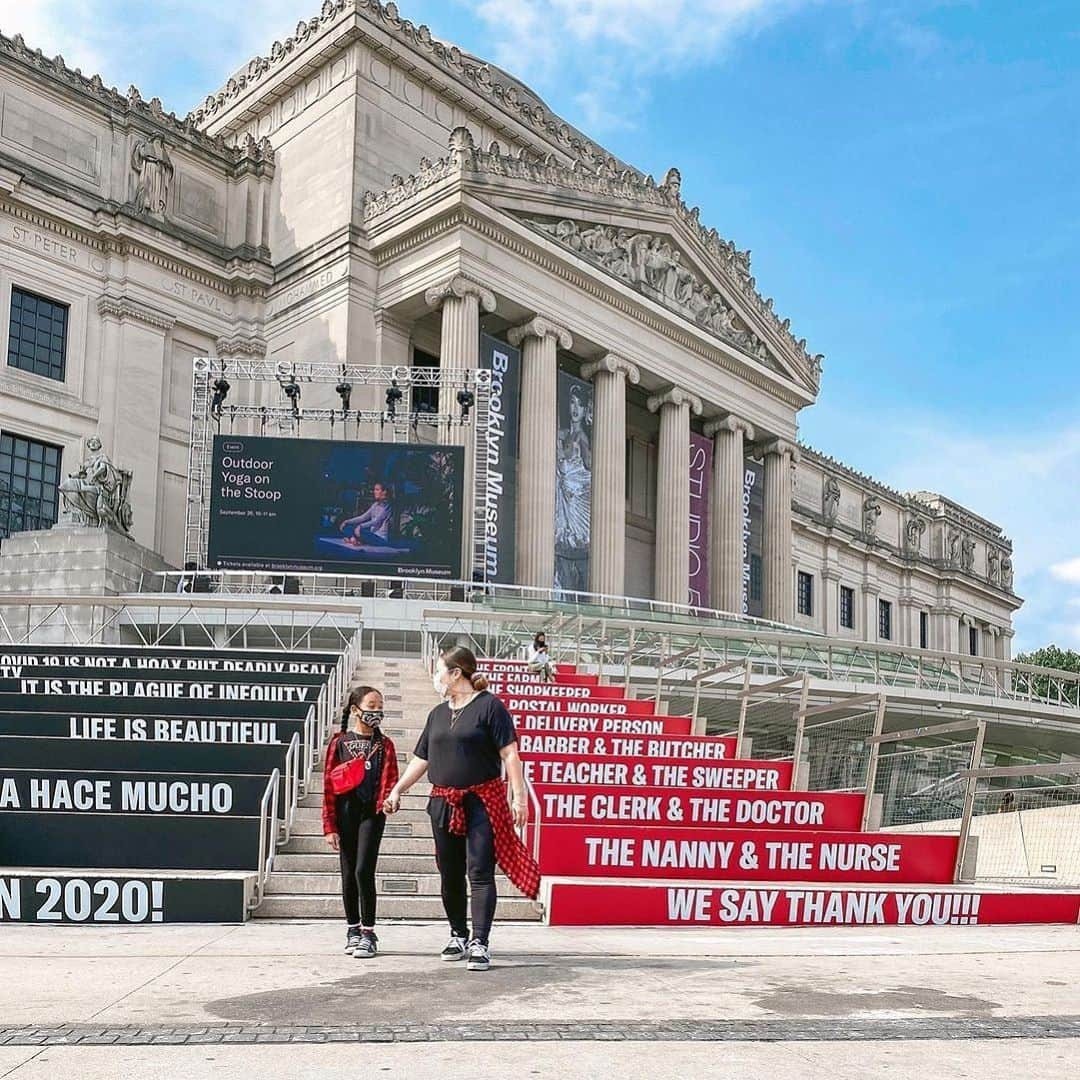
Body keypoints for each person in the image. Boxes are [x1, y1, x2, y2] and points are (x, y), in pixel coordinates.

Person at [383, 646, 539, 972]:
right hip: (442, 801)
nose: (437, 678)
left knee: (479, 871)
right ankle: (458, 933)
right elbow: (421, 759)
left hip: (481, 801)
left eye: (440, 671)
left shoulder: (490, 707)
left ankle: (480, 941)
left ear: (456, 673)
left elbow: (510, 754)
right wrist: (397, 789)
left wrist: (519, 797)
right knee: (450, 873)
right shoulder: (437, 714)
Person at [322, 685, 399, 958]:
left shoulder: (384, 745)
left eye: (380, 706)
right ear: (356, 709)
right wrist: (329, 825)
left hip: (372, 814)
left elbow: (391, 781)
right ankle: (352, 929)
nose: (376, 711)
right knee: (347, 873)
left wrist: (390, 800)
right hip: (344, 814)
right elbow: (328, 786)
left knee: (363, 871)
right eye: (371, 705)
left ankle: (369, 932)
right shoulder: (339, 742)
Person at [339, 482, 394, 547]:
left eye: (377, 490)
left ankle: (354, 539)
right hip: (371, 534)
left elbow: (376, 522)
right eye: (374, 490)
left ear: (384, 492)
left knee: (360, 531)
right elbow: (363, 517)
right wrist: (347, 521)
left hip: (380, 539)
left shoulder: (387, 506)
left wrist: (361, 526)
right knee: (346, 526)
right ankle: (354, 539)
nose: (374, 492)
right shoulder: (375, 505)